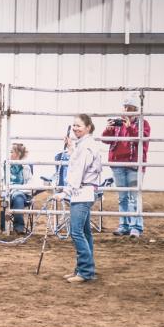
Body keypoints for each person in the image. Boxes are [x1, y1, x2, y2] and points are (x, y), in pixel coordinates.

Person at [55, 115, 103, 284]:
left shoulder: (85, 146)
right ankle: (84, 269)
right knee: (85, 232)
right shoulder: (86, 144)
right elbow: (80, 164)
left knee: (76, 232)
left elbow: (78, 171)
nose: (75, 128)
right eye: (74, 125)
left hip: (81, 192)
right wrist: (70, 149)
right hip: (85, 191)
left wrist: (65, 192)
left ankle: (85, 271)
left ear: (88, 127)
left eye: (79, 126)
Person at [101, 96, 150, 238]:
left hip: (134, 164)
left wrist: (129, 127)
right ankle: (124, 225)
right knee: (122, 197)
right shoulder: (118, 123)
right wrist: (108, 129)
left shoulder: (143, 124)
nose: (126, 110)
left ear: (136, 111)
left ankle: (136, 227)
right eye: (125, 107)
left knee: (134, 197)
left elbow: (139, 139)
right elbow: (105, 139)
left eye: (130, 108)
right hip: (118, 164)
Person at [7, 143, 32, 235]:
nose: (9, 154)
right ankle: (1, 226)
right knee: (2, 197)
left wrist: (16, 190)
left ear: (17, 154)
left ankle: (18, 227)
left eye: (11, 152)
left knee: (18, 197)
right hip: (7, 191)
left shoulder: (25, 167)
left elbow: (30, 184)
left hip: (21, 192)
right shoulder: (5, 166)